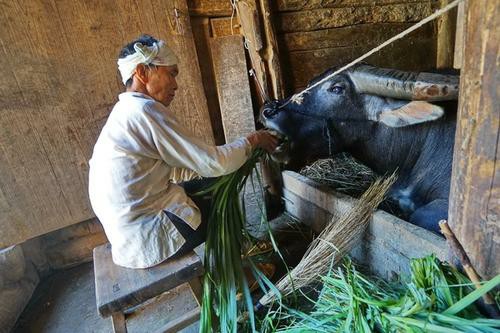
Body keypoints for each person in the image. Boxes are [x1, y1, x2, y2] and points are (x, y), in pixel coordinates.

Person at [88, 34, 278, 269]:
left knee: (207, 185)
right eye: (171, 73)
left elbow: (174, 167)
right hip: (148, 237)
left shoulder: (125, 112)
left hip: (127, 240)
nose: (176, 84)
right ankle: (236, 272)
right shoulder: (145, 111)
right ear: (142, 72)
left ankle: (238, 255)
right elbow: (215, 163)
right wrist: (253, 139)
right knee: (217, 194)